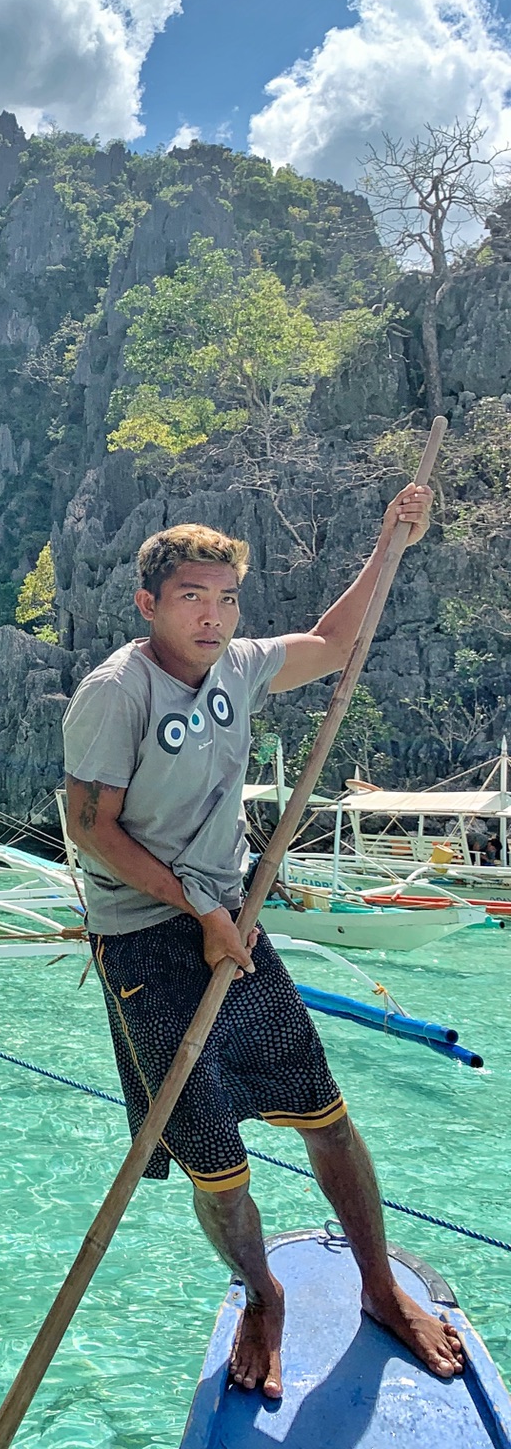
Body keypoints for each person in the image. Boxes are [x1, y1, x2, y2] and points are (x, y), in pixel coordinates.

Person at [62, 486, 463, 1401]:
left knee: (325, 1114)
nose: (214, 615)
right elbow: (94, 829)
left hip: (230, 924)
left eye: (228, 597)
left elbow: (331, 643)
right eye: (193, 597)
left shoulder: (240, 667)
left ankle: (379, 1288)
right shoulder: (115, 693)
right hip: (145, 943)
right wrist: (195, 911)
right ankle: (263, 1295)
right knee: (216, 1160)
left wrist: (389, 544)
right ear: (149, 605)